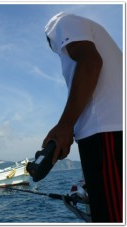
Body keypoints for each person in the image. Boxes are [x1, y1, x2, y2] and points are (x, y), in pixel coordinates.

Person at [43, 12, 122, 222]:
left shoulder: (61, 22)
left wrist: (65, 125)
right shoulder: (104, 40)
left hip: (104, 132)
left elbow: (90, 62)